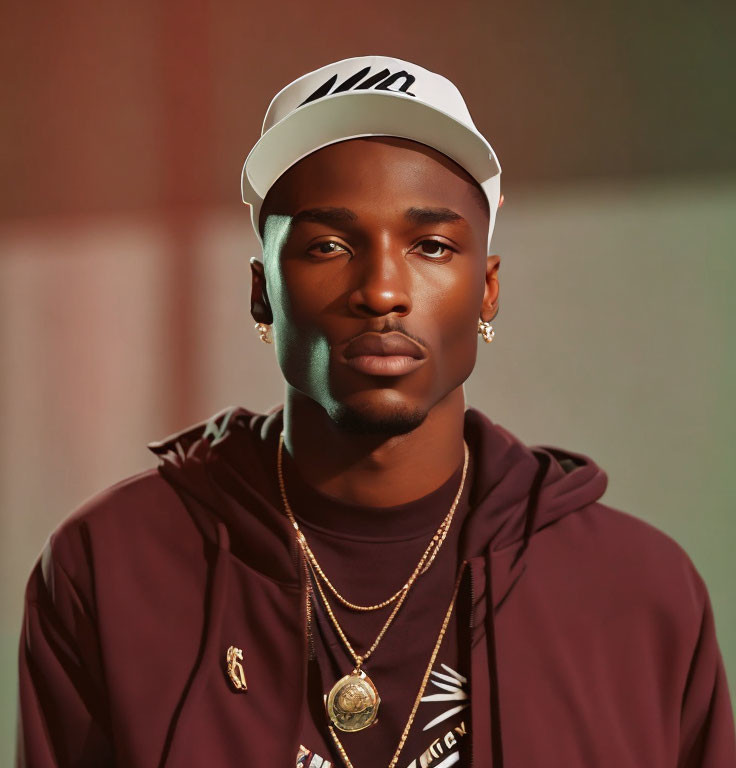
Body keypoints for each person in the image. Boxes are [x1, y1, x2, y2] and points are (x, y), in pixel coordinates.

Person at [15, 55, 736, 768]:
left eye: (430, 245)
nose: (383, 289)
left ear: (487, 291)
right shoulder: (112, 571)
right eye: (329, 244)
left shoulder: (638, 593)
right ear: (263, 293)